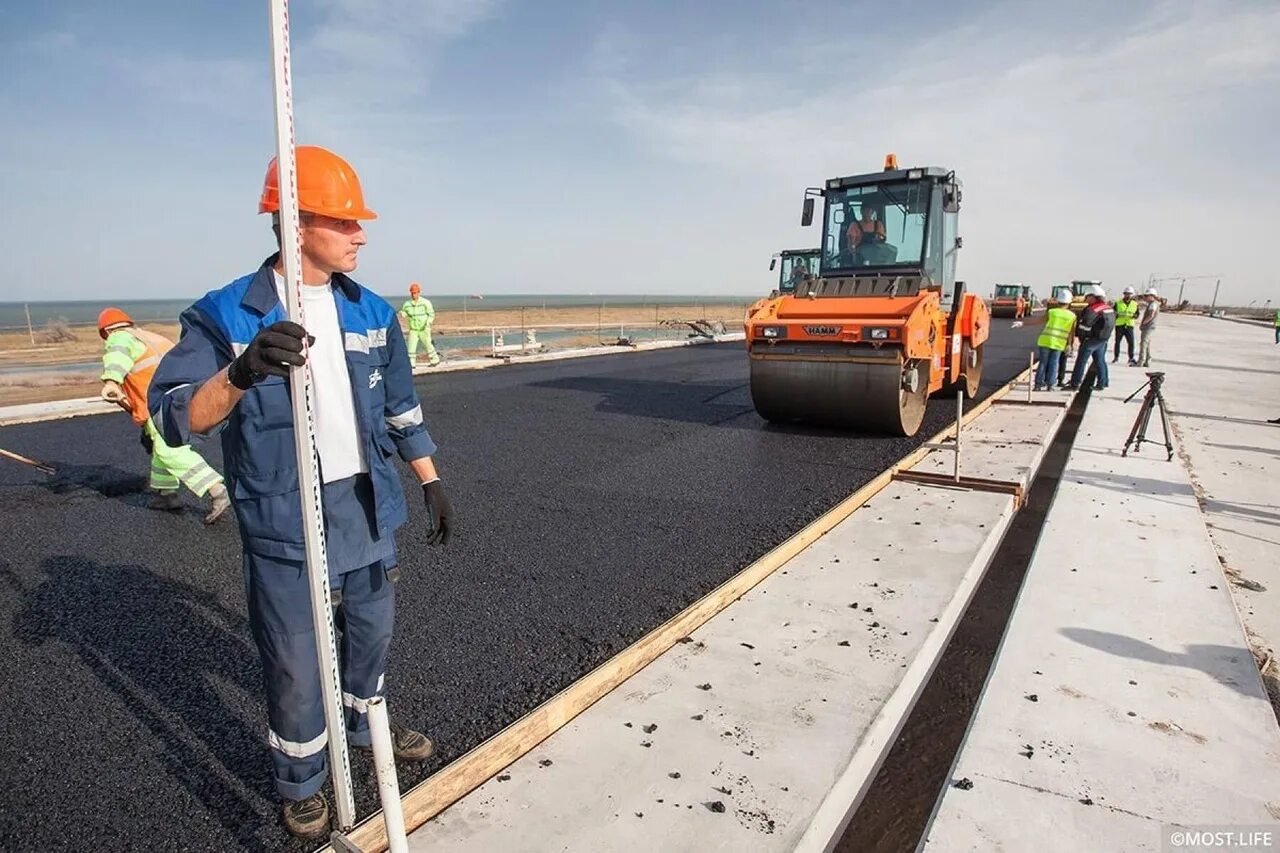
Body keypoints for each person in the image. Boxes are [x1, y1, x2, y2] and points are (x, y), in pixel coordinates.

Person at [148, 145, 455, 838]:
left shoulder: (374, 313)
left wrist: (431, 481)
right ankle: (302, 779)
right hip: (284, 512)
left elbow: (402, 409)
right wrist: (241, 373)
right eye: (345, 222)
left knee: (370, 631)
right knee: (292, 650)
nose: (362, 235)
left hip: (364, 500)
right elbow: (172, 415)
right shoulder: (226, 315)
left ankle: (363, 723)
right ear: (295, 220)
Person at [98, 307, 230, 523]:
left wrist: (111, 381)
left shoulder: (120, 337)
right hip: (178, 400)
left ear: (106, 331)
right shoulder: (152, 338)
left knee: (170, 451)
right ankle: (167, 495)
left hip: (158, 404)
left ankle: (216, 490)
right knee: (161, 450)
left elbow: (117, 355)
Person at [1068, 284, 1115, 390]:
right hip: (1103, 339)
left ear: (1093, 297)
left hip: (1091, 340)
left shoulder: (1093, 309)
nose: (1086, 299)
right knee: (1100, 360)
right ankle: (1103, 382)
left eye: (1087, 297)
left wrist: (1080, 336)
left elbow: (1085, 325)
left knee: (1081, 361)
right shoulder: (1108, 308)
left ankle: (1075, 383)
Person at [1035, 287, 1076, 391]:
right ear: (1069, 302)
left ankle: (1038, 385)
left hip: (1045, 341)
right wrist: (1070, 345)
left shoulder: (1052, 312)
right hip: (1059, 343)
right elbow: (1071, 333)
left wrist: (1023, 323)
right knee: (1054, 363)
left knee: (1043, 362)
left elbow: (1038, 321)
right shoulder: (1072, 316)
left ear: (1058, 301)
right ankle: (1050, 385)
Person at [399, 282, 440, 366]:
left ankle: (435, 360)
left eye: (415, 293)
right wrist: (402, 314)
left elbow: (431, 314)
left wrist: (428, 323)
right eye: (412, 293)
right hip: (413, 329)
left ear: (419, 292)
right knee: (411, 346)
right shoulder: (407, 304)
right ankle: (411, 363)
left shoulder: (425, 303)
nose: (414, 295)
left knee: (428, 344)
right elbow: (405, 312)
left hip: (424, 328)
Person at [1113, 286, 1140, 365]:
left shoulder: (1135, 304)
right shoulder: (1118, 303)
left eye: (1129, 294)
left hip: (1129, 325)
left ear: (1132, 295)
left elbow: (1137, 314)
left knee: (1131, 342)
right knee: (1117, 342)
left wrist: (1134, 316)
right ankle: (1116, 357)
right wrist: (1117, 315)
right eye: (1126, 294)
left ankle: (1131, 358)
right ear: (1124, 294)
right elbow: (1114, 312)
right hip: (1120, 325)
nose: (1127, 295)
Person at [1138, 287, 1160, 367]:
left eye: (1147, 296)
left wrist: (1143, 323)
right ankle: (1148, 360)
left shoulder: (1153, 304)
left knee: (1143, 344)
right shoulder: (1152, 304)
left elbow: (1151, 315)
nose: (1145, 297)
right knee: (1146, 344)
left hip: (1149, 327)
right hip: (1149, 326)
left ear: (1152, 296)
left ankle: (1141, 361)